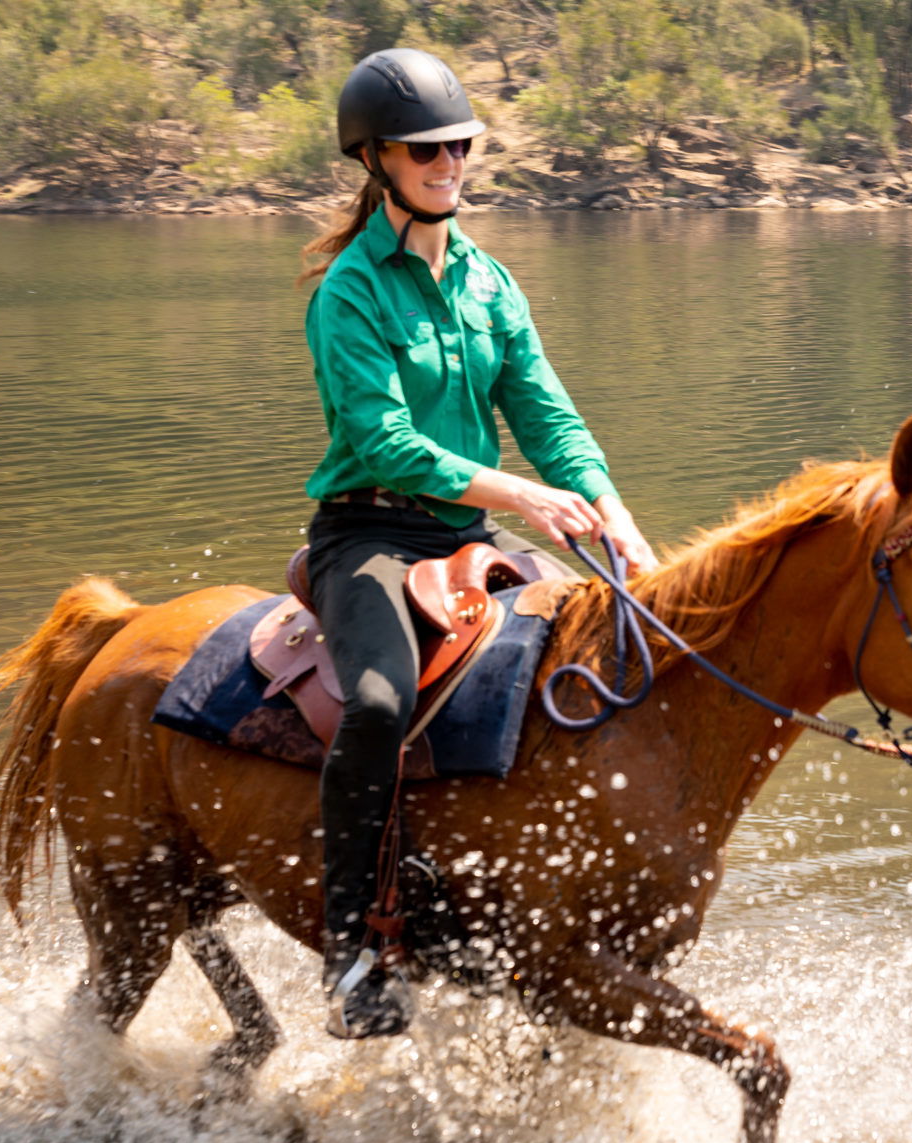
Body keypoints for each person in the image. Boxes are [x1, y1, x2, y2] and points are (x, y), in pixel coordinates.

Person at [298, 47, 657, 1040]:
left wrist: (618, 522)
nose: (448, 159)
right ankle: (352, 949)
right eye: (425, 147)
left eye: (460, 142)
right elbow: (385, 443)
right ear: (374, 158)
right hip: (369, 534)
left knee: (593, 669)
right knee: (376, 704)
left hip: (470, 532)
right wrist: (524, 495)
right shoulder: (348, 294)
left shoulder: (492, 285)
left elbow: (550, 420)